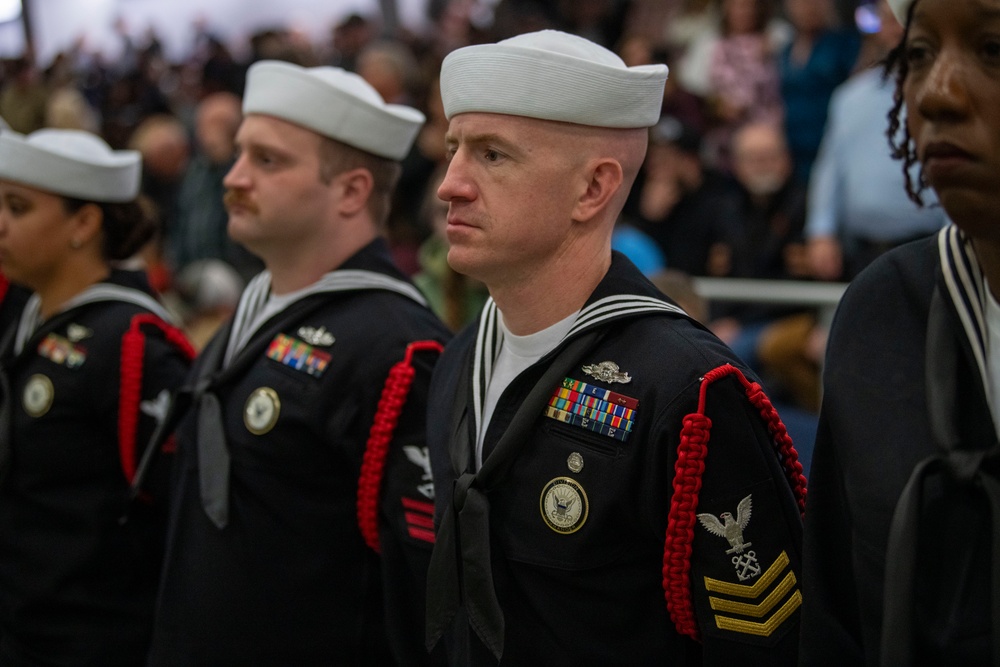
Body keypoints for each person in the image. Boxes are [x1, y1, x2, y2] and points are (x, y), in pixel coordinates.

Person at [425, 30, 808, 665]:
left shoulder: (686, 390)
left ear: (592, 189)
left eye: (492, 155)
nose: (450, 184)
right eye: (453, 149)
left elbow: (762, 646)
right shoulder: (462, 358)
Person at [147, 60, 451, 666]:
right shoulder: (257, 307)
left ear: (351, 190)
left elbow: (424, 595)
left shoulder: (396, 347)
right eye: (239, 155)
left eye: (268, 161)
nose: (233, 178)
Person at [801, 0, 1000, 663]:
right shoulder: (882, 312)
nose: (938, 93)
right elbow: (836, 614)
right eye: (917, 56)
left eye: (994, 49)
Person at [0, 128, 194, 665]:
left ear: (83, 223)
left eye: (17, 207)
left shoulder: (133, 342)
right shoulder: (27, 315)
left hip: (97, 638)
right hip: (22, 624)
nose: (0, 224)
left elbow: (171, 511)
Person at [805, 0, 945, 281]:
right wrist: (821, 231)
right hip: (861, 252)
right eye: (888, 20)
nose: (896, 29)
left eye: (903, 20)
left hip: (931, 248)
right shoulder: (850, 96)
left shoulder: (944, 93)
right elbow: (829, 168)